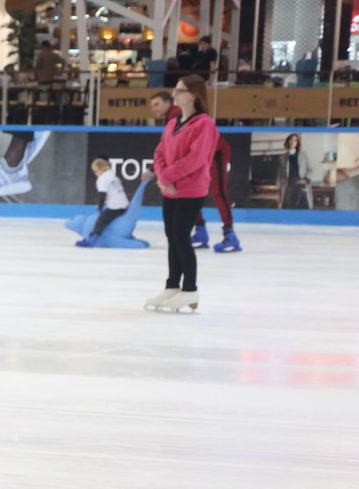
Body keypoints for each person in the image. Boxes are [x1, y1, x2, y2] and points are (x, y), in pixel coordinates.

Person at [146, 76, 220, 313]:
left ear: (194, 95)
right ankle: (172, 286)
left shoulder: (204, 124)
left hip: (190, 188)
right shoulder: (173, 122)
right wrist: (163, 176)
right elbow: (160, 151)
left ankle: (190, 289)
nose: (174, 94)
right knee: (172, 235)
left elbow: (196, 159)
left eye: (180, 90)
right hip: (170, 189)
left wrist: (168, 177)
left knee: (180, 235)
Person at [149, 91, 241, 251]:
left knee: (217, 191)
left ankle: (229, 233)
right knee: (187, 189)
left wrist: (159, 173)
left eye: (156, 104)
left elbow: (178, 150)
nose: (154, 109)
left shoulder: (177, 114)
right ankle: (201, 230)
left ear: (168, 102)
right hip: (203, 154)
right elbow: (168, 149)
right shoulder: (172, 118)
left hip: (216, 152)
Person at [75, 157, 128, 247]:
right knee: (104, 218)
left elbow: (102, 195)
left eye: (95, 171)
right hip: (124, 205)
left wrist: (100, 206)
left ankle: (93, 239)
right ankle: (91, 236)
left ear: (100, 169)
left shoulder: (102, 178)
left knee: (101, 220)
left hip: (116, 206)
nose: (96, 174)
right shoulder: (112, 174)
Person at [278, 133, 311, 209]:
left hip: (301, 186)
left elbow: (309, 170)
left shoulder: (303, 155)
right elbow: (280, 176)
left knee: (303, 211)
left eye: (295, 140)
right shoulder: (282, 158)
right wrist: (279, 192)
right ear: (288, 141)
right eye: (291, 140)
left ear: (297, 143)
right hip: (288, 187)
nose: (293, 142)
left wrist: (305, 180)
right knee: (288, 210)